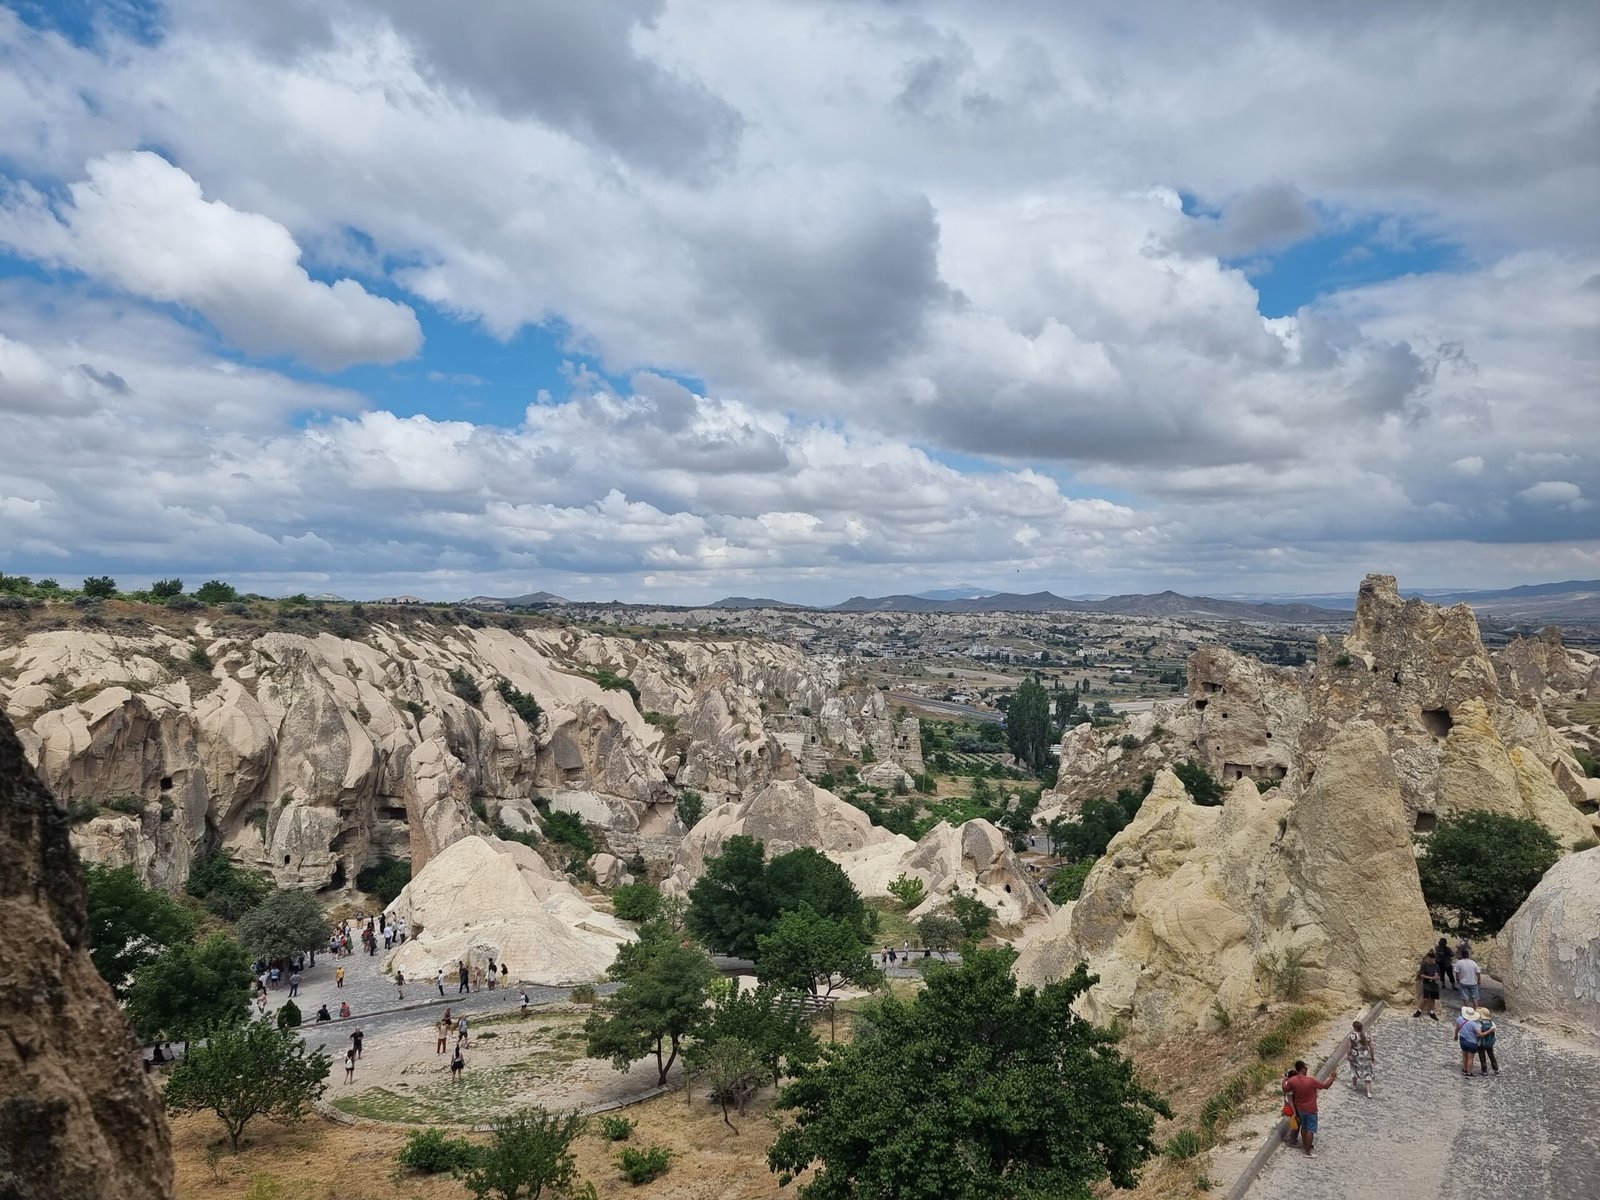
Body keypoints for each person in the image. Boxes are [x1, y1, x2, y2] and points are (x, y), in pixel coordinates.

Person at [1283, 1060, 1337, 1158]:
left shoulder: (1292, 1081)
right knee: (1310, 1130)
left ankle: (1305, 1146)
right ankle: (1307, 1152)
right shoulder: (1311, 1081)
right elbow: (1325, 1086)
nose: (1307, 1069)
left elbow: (1285, 1089)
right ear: (1303, 1069)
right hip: (1311, 1109)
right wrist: (1332, 1077)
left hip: (1300, 1109)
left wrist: (1284, 1080)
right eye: (1306, 1067)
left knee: (1304, 1127)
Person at [1346, 1019, 1376, 1098]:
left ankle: (1354, 1085)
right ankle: (1369, 1092)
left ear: (1354, 1028)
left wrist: (1348, 1055)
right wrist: (1372, 1056)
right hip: (1366, 1056)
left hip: (1356, 1056)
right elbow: (1372, 1047)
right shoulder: (1366, 1035)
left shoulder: (1352, 1036)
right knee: (1367, 1073)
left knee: (1354, 1069)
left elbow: (1349, 1047)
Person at [1414, 950, 1441, 1020]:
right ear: (1428, 958)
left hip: (1435, 985)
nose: (1432, 960)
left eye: (1433, 958)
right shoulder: (1424, 965)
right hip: (1427, 984)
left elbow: (1439, 976)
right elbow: (1422, 975)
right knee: (1425, 997)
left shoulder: (1436, 966)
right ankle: (1419, 1011)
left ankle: (1432, 1012)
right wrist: (1431, 977)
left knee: (1433, 998)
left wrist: (1437, 977)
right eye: (1431, 958)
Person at [1454, 1006, 1481, 1075]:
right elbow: (1479, 1034)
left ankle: (1465, 1069)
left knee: (1464, 1055)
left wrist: (1456, 1035)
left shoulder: (1460, 1019)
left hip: (1463, 1039)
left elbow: (1457, 1028)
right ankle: (1469, 1073)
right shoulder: (1474, 1024)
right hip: (1472, 1042)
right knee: (1470, 1058)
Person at [1474, 1011, 1500, 1076]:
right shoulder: (1492, 1023)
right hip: (1489, 1042)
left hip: (1481, 1043)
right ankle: (1496, 1070)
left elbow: (1478, 1034)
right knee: (1491, 1055)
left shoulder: (1479, 1023)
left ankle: (1484, 1071)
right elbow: (1494, 1030)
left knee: (1482, 1056)